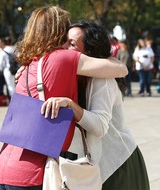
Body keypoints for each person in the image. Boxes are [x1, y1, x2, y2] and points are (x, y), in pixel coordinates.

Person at [0, 5, 128, 190]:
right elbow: (121, 69)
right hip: (34, 173)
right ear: (59, 32)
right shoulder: (64, 58)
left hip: (4, 168)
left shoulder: (28, 65)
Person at [41, 20, 150, 190]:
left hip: (118, 164)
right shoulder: (76, 76)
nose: (64, 48)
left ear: (90, 51)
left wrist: (71, 105)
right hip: (96, 167)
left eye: (71, 44)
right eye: (65, 41)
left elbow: (99, 126)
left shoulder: (101, 79)